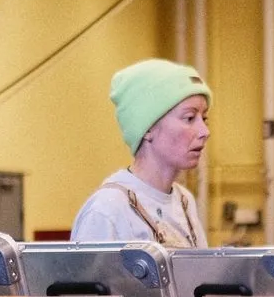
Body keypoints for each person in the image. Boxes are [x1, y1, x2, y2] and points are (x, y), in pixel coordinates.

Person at [72, 58, 211, 246]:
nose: (204, 132)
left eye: (204, 118)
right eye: (189, 118)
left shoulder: (184, 202)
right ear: (147, 128)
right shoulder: (107, 211)